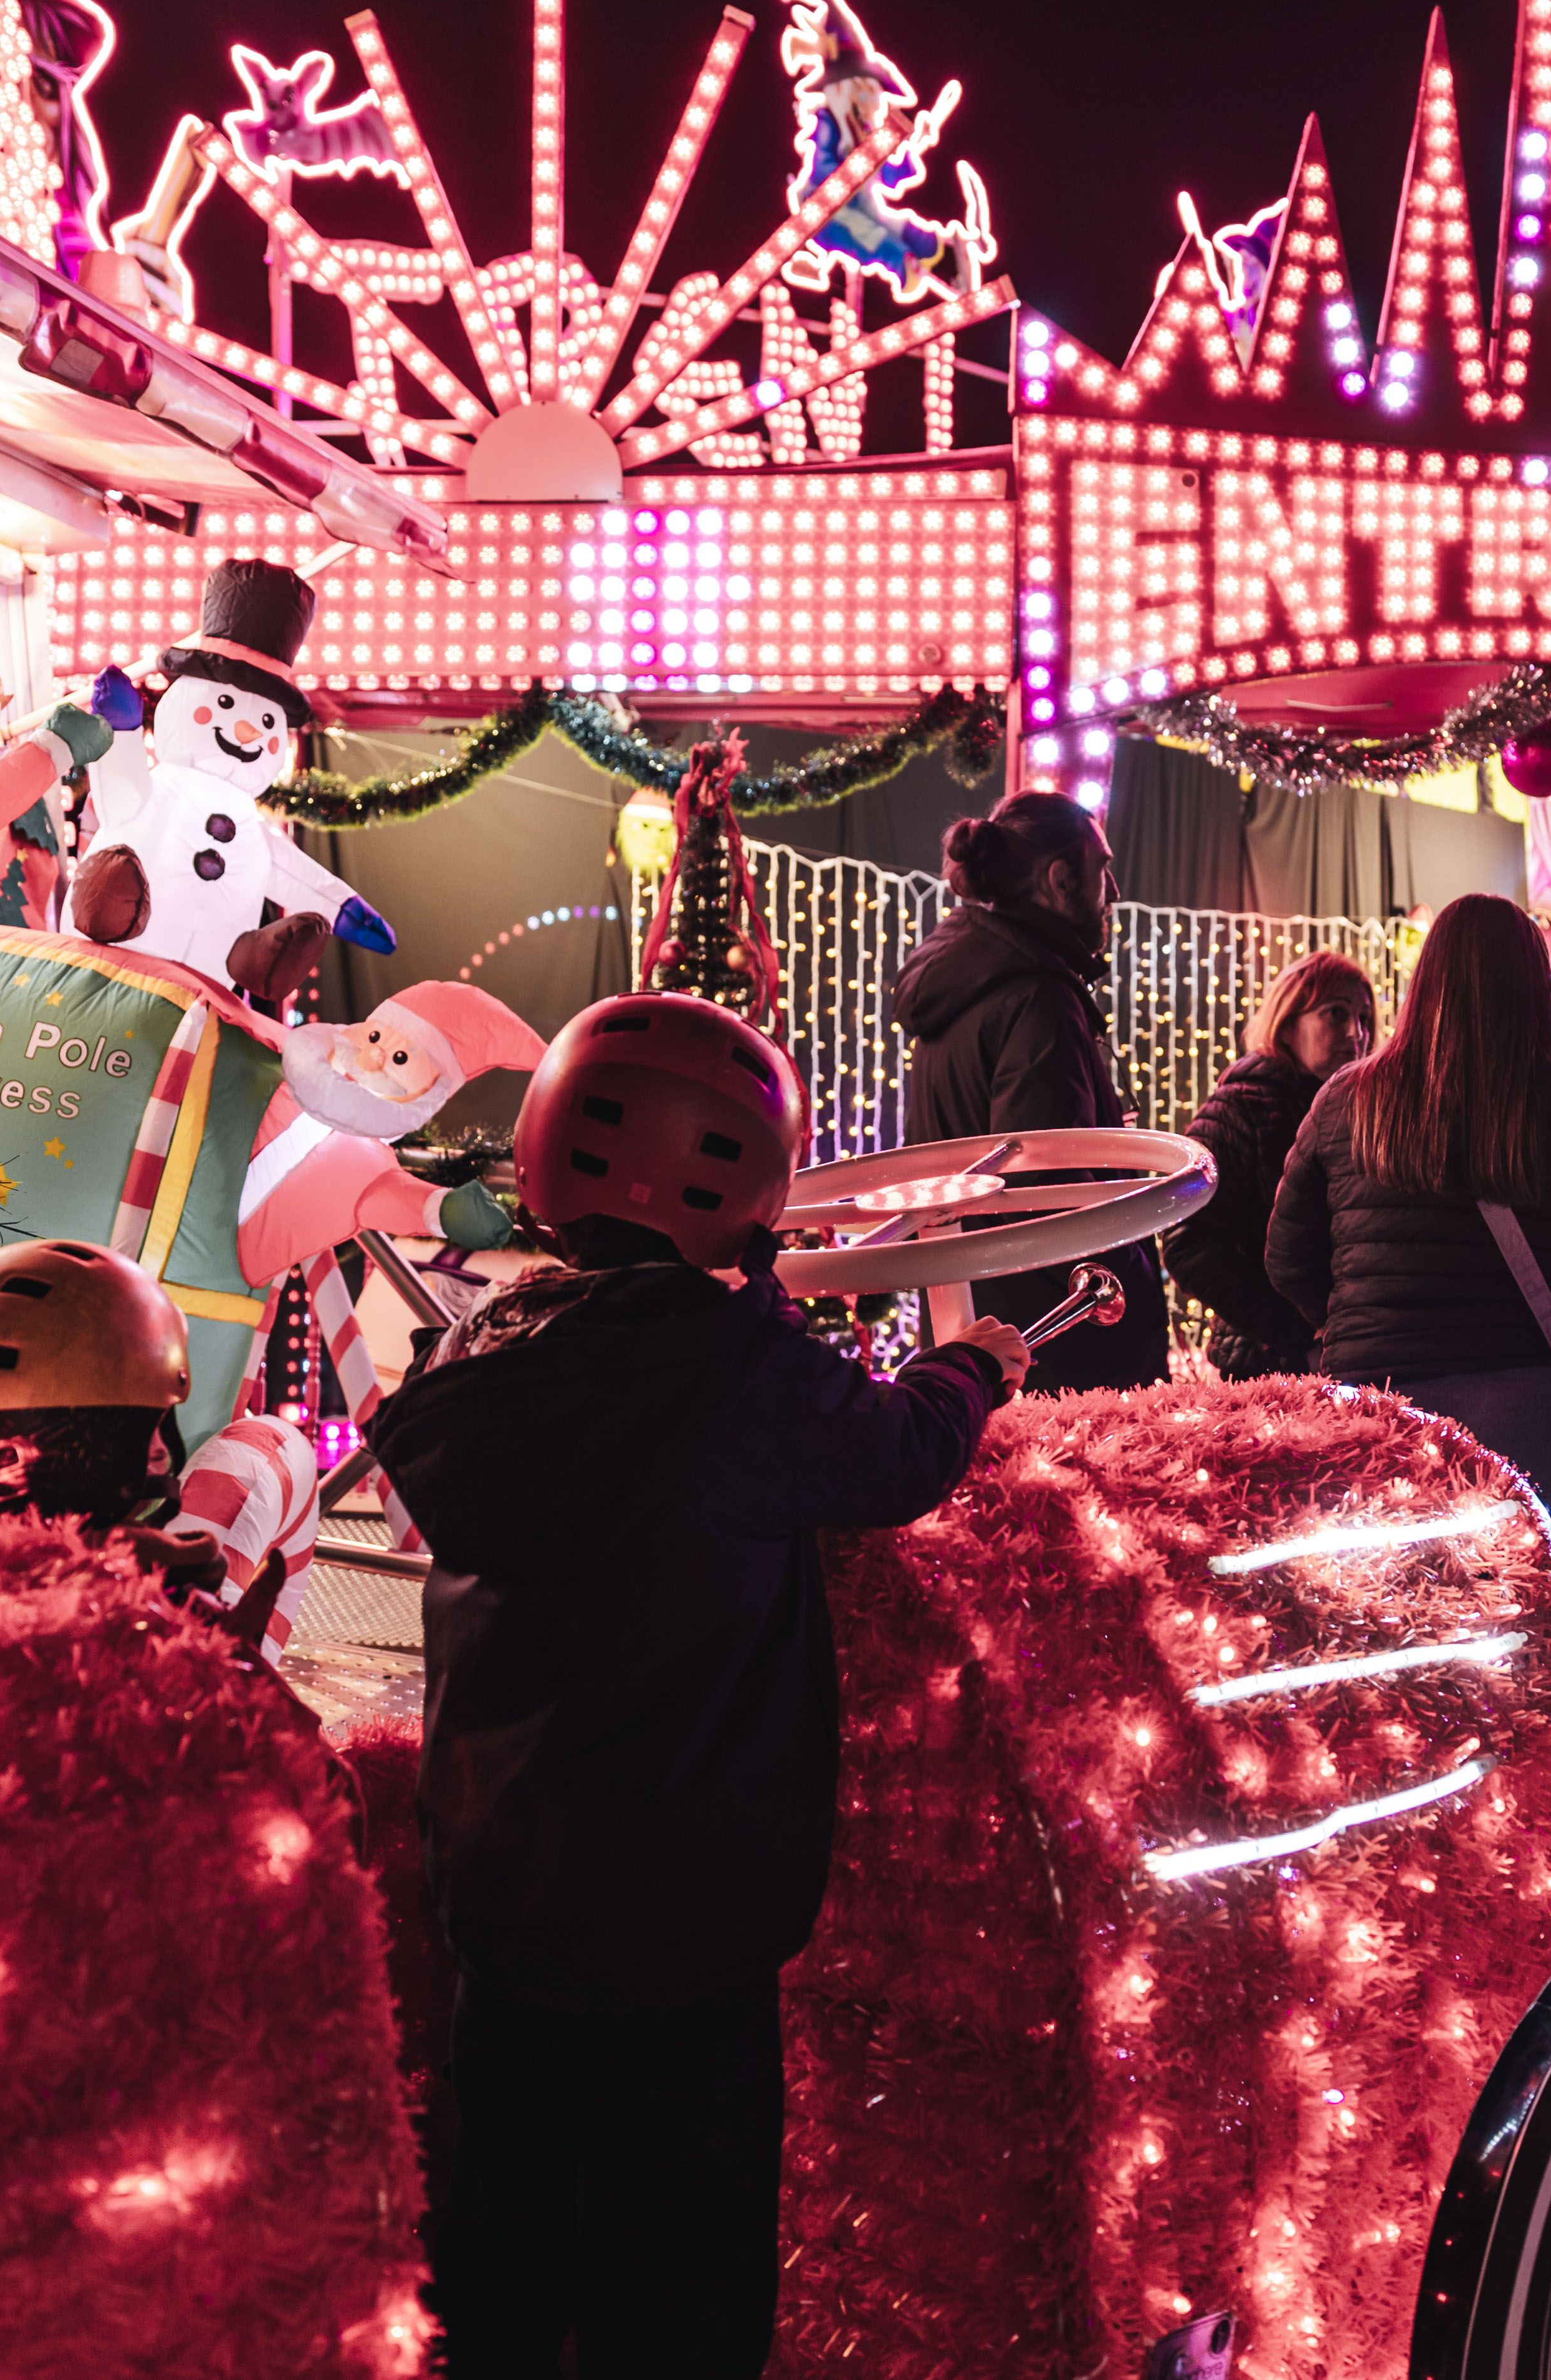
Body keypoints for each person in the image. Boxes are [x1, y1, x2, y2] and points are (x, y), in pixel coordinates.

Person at [371, 994, 1030, 2379]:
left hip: (501, 1889)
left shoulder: (481, 1351)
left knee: (501, 2250)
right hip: (682, 1914)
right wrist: (969, 1367)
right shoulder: (741, 1374)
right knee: (676, 2275)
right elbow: (898, 1454)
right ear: (744, 1181)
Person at [1264, 894, 1551, 1535]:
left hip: (1376, 1408)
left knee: (1394, 1614)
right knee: (1532, 1617)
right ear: (1539, 986)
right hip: (1529, 1410)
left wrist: (1364, 1325)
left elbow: (1286, 1259)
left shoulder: (1346, 1100)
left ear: (1426, 981)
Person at [887, 790, 1169, 1390]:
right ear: (1061, 880)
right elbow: (1050, 1184)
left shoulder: (967, 985)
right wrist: (1131, 1283)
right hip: (1054, 1344)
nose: (1113, 892)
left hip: (978, 1326)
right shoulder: (1037, 998)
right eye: (1103, 870)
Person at [1170, 952, 1378, 1376]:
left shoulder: (1359, 1113)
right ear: (1287, 1023)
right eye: (1335, 1014)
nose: (1356, 1033)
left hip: (1350, 1354)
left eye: (1365, 1018)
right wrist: (1289, 1328)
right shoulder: (1239, 1107)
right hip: (1266, 1364)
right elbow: (1187, 1242)